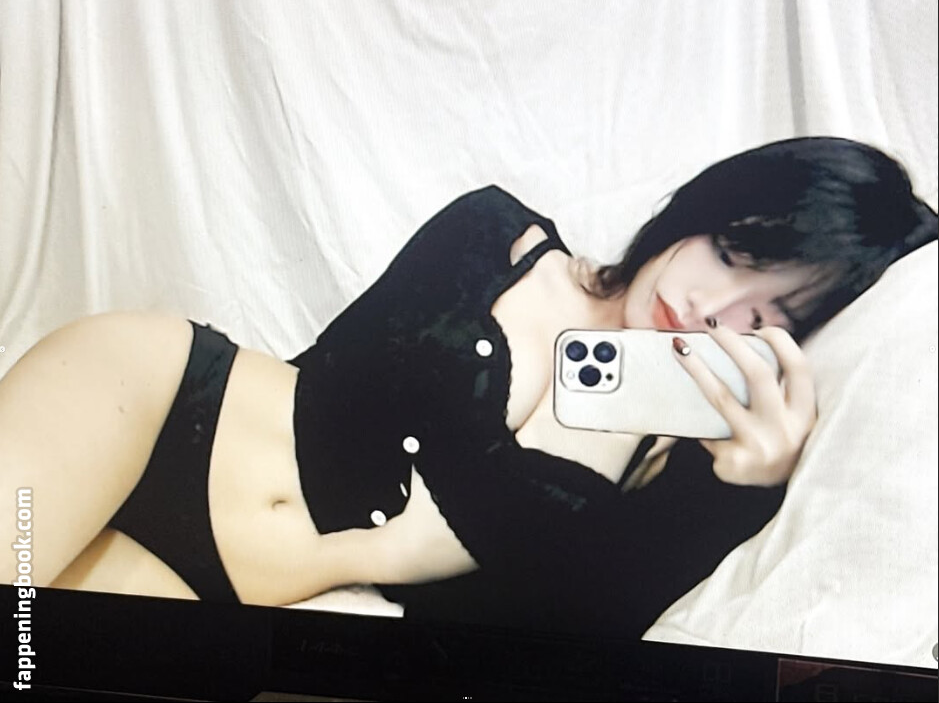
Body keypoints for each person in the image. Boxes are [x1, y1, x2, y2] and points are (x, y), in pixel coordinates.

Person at [1, 137, 935, 638]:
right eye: (730, 253)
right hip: (156, 407)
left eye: (763, 318)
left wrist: (732, 492)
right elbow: (353, 402)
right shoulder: (495, 237)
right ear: (699, 212)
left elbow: (570, 632)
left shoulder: (679, 472)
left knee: (32, 658)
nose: (707, 309)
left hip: (240, 604)